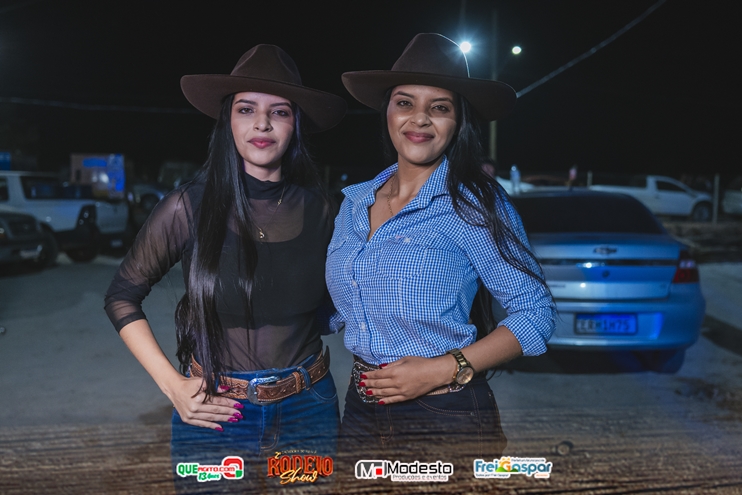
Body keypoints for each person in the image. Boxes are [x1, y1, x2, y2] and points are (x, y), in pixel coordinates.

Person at [103, 44, 347, 490]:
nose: (262, 124)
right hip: (213, 413)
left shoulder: (326, 211)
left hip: (307, 410)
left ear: (295, 125)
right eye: (246, 109)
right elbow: (122, 295)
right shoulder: (187, 207)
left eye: (279, 112)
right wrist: (172, 385)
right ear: (227, 121)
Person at [326, 33, 556, 471]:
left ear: (457, 121)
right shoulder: (354, 203)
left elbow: (535, 313)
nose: (419, 119)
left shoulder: (475, 203)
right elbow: (342, 309)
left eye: (439, 107)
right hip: (360, 408)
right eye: (405, 103)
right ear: (387, 112)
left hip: (443, 414)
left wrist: (443, 368)